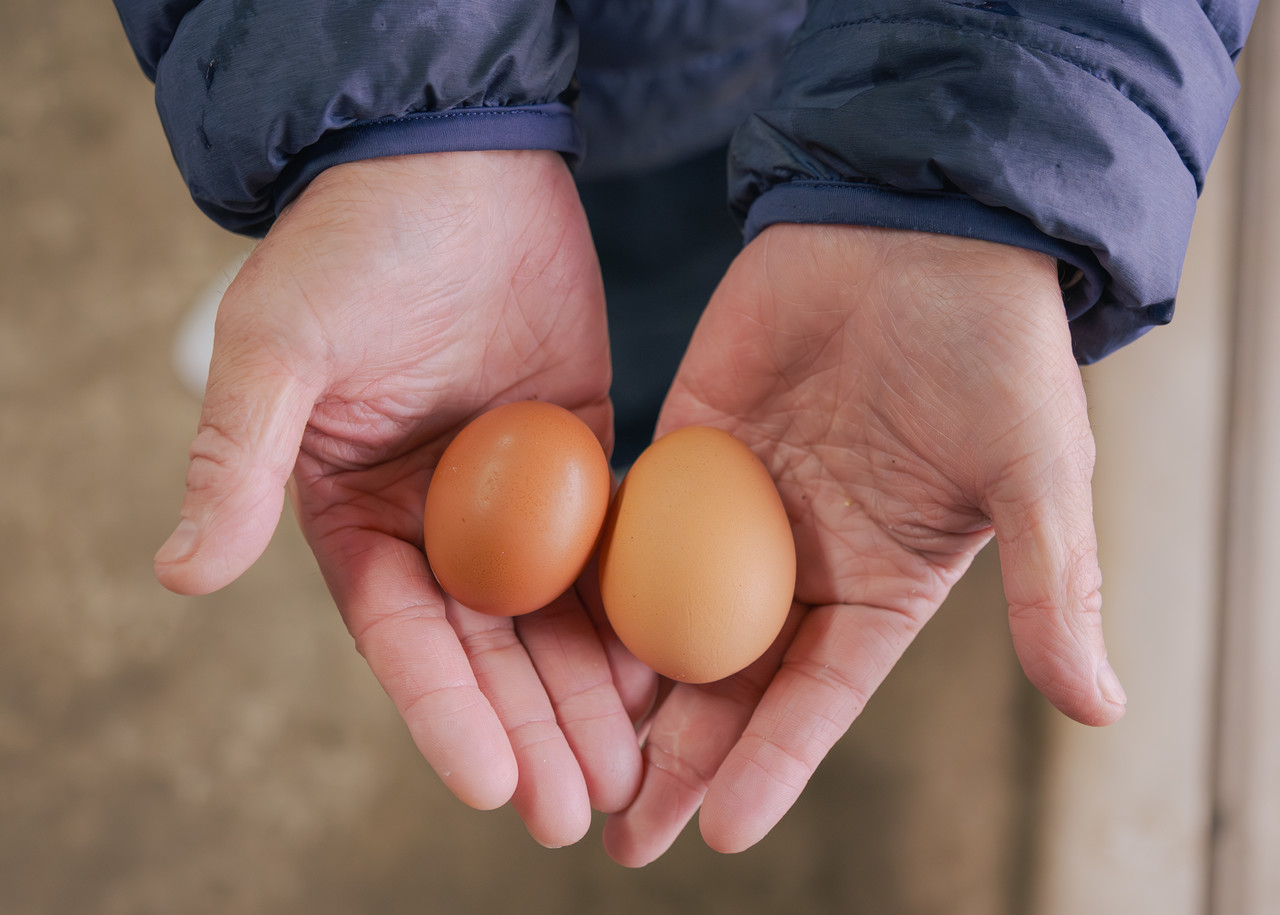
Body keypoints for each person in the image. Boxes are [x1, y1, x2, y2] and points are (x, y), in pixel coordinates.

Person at [114, 0, 1257, 866]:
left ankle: (595, 416)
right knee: (517, 269)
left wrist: (970, 161)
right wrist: (372, 121)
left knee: (722, 308)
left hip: (784, 45)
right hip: (469, 52)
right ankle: (371, 237)